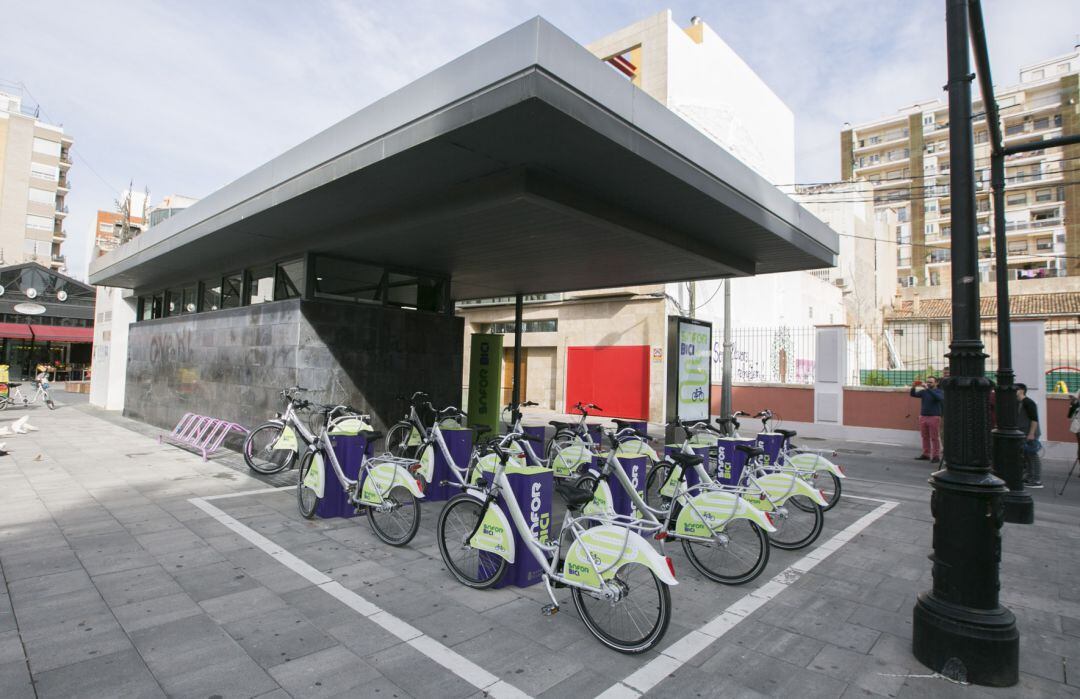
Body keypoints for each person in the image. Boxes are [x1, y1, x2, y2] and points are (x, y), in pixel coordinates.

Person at [911, 376, 944, 463]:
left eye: (930, 382)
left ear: (936, 383)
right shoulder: (924, 392)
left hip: (934, 417)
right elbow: (913, 394)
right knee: (924, 437)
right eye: (927, 382)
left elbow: (939, 398)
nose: (928, 383)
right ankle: (926, 454)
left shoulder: (939, 391)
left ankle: (936, 456)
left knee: (934, 437)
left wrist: (928, 389)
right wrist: (913, 387)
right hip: (923, 416)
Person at [1016, 383, 1043, 488]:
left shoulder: (1028, 402)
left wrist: (1031, 433)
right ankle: (1029, 477)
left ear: (1022, 390)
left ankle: (1036, 480)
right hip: (1024, 432)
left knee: (1032, 456)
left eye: (1016, 389)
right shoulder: (1020, 402)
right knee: (1027, 456)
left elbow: (1034, 419)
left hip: (1030, 433)